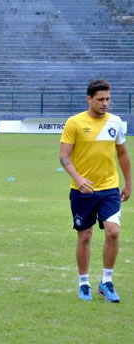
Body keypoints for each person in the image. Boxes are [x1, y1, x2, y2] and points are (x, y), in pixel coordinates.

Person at [59, 79, 131, 303]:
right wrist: (78, 178)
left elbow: (122, 154)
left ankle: (106, 281)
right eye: (100, 99)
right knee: (85, 237)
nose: (105, 103)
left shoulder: (115, 122)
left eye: (108, 99)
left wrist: (128, 183)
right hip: (82, 191)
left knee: (113, 232)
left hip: (109, 188)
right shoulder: (74, 123)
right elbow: (64, 156)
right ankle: (84, 283)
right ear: (89, 99)